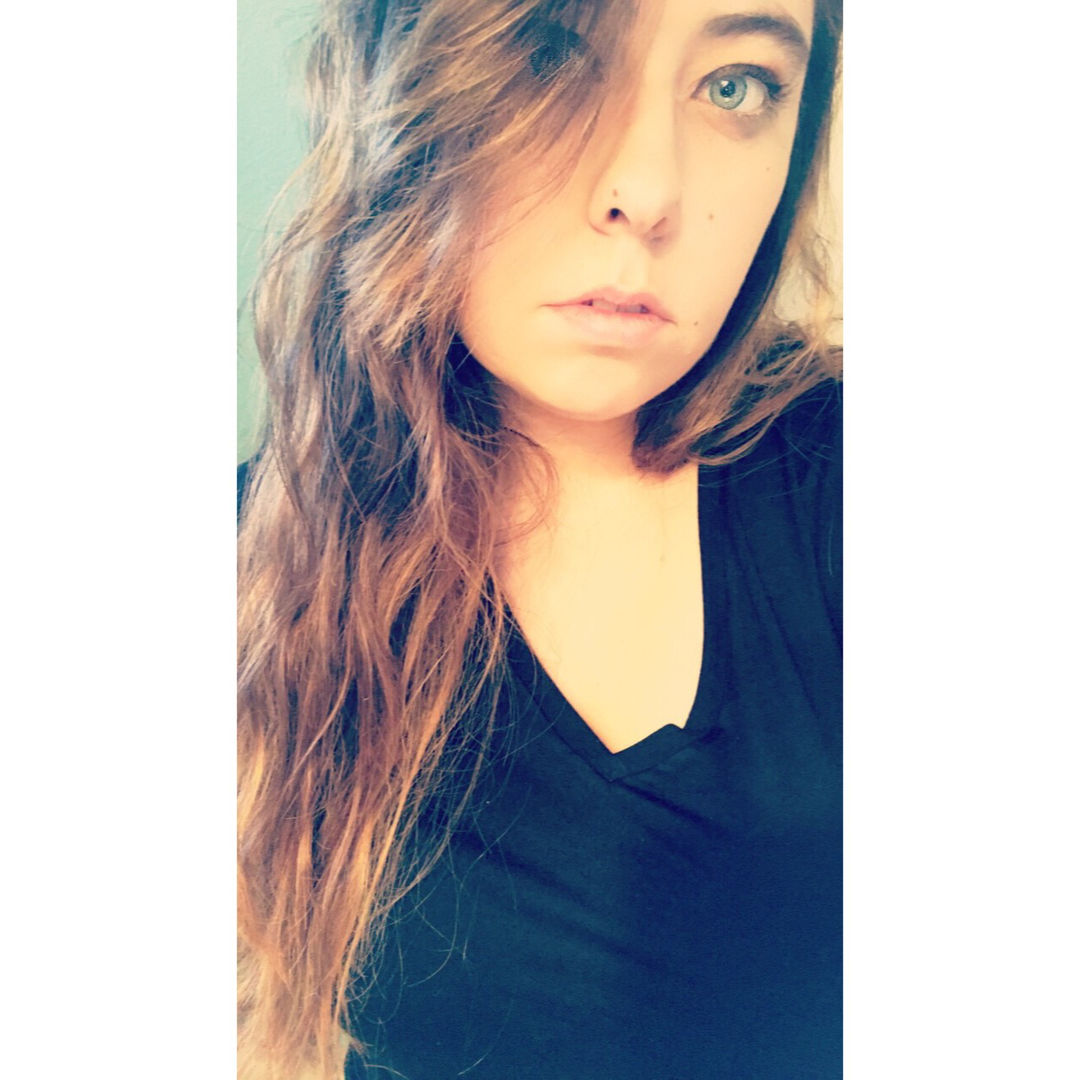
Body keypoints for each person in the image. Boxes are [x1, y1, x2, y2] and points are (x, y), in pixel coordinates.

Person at [238, 0, 843, 1077]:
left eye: (736, 85)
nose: (646, 191)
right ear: (401, 86)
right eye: (552, 56)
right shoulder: (244, 574)